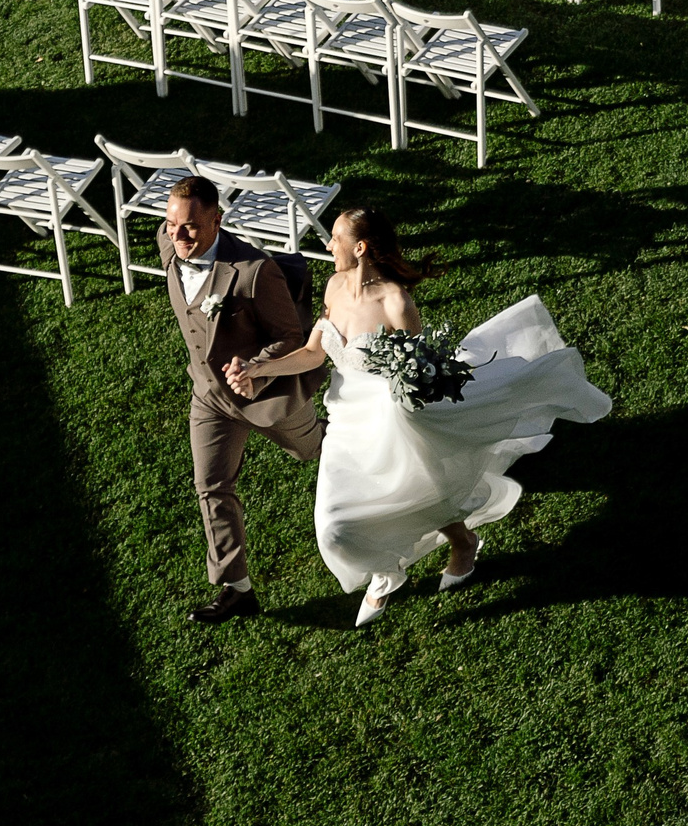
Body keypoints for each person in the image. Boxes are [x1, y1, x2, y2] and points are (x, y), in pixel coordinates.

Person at [229, 207, 610, 627]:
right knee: (333, 528)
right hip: (345, 425)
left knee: (420, 492)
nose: (328, 244)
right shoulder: (335, 287)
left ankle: (458, 545)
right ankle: (388, 571)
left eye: (336, 237)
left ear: (360, 247)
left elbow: (419, 372)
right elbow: (313, 353)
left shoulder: (396, 302)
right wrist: (257, 369)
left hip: (391, 422)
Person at [157, 176, 325, 624]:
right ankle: (237, 589)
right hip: (209, 397)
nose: (178, 235)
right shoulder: (170, 243)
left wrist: (254, 366)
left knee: (318, 451)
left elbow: (290, 337)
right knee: (210, 485)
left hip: (266, 397)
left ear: (217, 220)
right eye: (172, 224)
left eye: (190, 226)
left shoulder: (254, 271)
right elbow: (172, 239)